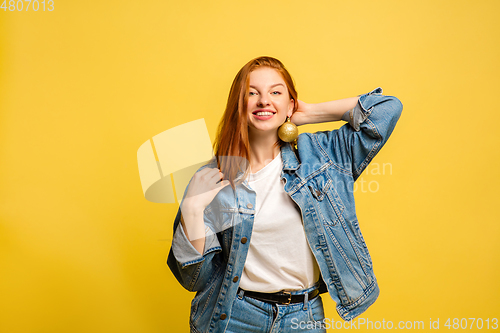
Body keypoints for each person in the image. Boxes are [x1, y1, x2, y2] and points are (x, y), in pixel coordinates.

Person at [167, 56, 403, 333]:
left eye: (276, 92)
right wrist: (192, 210)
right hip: (235, 316)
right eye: (251, 93)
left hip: (304, 317)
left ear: (290, 103)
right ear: (237, 105)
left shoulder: (323, 155)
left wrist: (311, 113)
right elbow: (196, 278)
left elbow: (387, 108)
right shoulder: (215, 177)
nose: (264, 100)